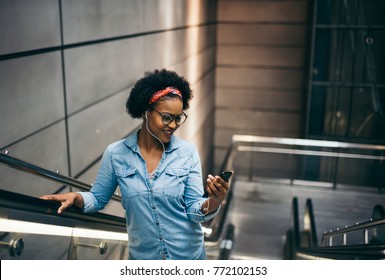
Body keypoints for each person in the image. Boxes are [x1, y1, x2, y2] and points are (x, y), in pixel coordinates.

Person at [40, 69, 230, 260]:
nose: (173, 125)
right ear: (146, 112)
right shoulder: (116, 154)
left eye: (178, 118)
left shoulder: (187, 153)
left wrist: (215, 200)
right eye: (166, 117)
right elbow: (98, 198)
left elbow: (194, 211)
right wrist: (75, 197)